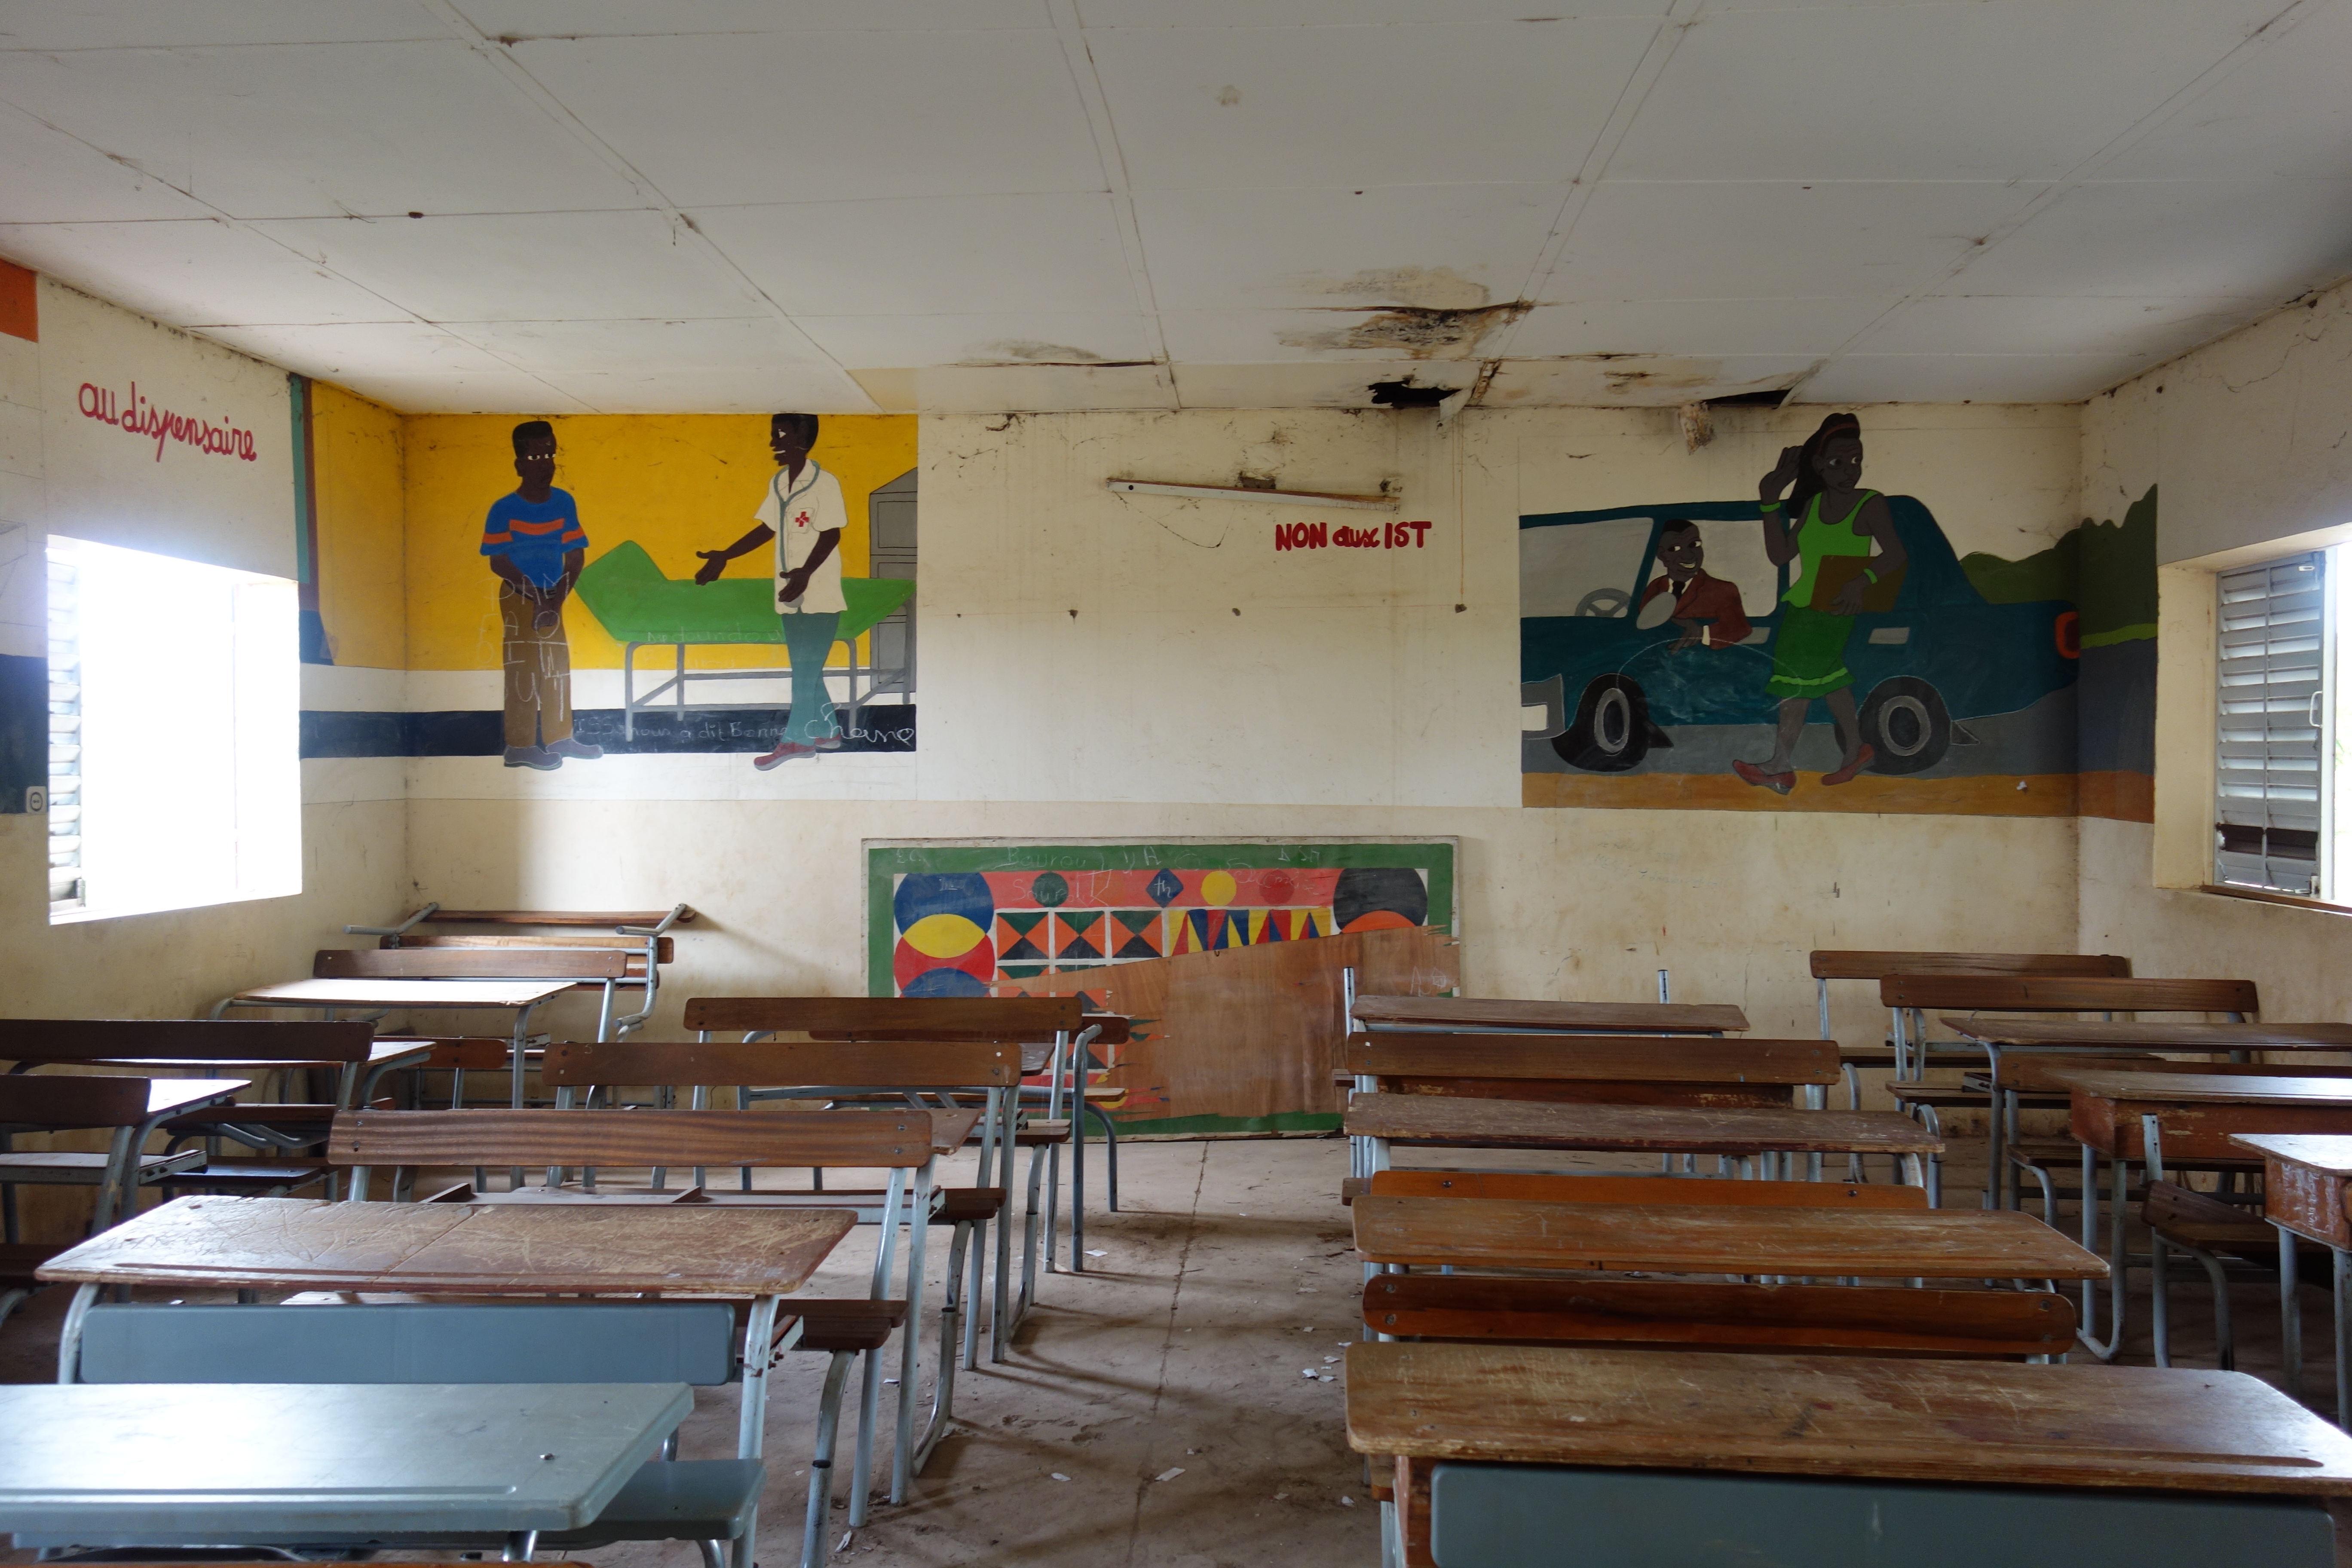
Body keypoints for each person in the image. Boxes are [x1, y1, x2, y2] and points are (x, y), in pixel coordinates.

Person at [1733, 411, 1908, 794]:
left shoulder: (1870, 504)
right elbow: (1780, 556)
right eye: (1839, 462)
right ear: (1818, 466)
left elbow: (1895, 554)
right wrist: (1768, 502)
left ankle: (1781, 765)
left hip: (1835, 608)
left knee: (1795, 683)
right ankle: (1855, 751)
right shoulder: (1812, 507)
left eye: (1857, 460)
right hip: (1802, 607)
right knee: (1829, 680)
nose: (1850, 470)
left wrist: (1863, 582)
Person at [693, 412, 846, 769]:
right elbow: (767, 529)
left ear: (802, 438)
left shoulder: (825, 483)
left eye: (781, 434)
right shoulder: (779, 482)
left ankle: (796, 742)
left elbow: (831, 533)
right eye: (773, 434)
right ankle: (828, 732)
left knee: (804, 670)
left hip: (818, 589)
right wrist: (726, 556)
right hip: (789, 589)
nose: (773, 443)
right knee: (807, 667)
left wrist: (807, 573)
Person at [481, 420, 600, 770]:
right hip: (519, 596)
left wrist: (555, 601)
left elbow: (576, 556)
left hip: (553, 594)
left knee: (557, 667)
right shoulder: (504, 509)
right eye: (535, 456)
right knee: (523, 668)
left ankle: (560, 737)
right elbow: (498, 562)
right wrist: (536, 598)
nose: (545, 462)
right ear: (519, 464)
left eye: (550, 454)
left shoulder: (564, 502)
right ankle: (519, 745)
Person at [1638, 519, 1751, 650]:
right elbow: (1644, 619)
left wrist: (1702, 632)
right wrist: (1681, 622)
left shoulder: (1723, 590)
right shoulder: (1656, 586)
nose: (1688, 555)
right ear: (1662, 555)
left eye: (1694, 544)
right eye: (1675, 549)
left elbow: (1740, 628)